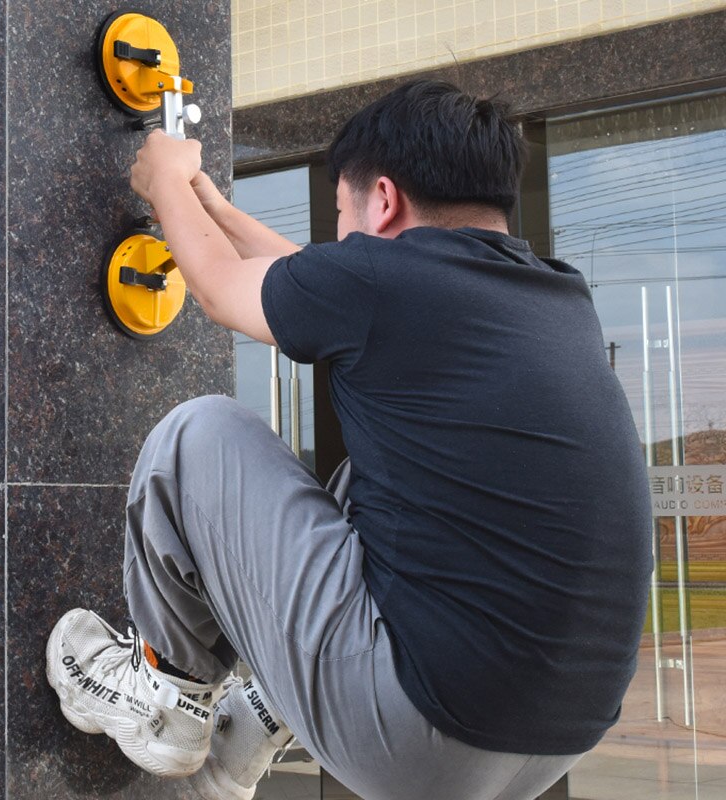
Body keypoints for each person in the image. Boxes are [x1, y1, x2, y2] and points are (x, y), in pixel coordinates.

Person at [46, 80, 653, 800]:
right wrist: (211, 210)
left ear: (385, 199)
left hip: (413, 730)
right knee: (377, 475)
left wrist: (167, 178)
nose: (339, 239)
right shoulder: (551, 298)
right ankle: (256, 723)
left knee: (198, 436)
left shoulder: (386, 286)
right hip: (547, 744)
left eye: (342, 214)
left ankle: (165, 702)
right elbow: (319, 280)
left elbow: (219, 289)